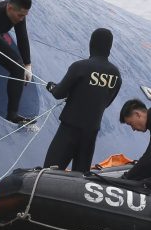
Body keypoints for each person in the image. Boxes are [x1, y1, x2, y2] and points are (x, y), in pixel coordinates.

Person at [43, 28, 122, 172]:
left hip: (69, 129)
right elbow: (106, 102)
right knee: (80, 176)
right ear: (109, 47)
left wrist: (51, 87)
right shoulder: (116, 74)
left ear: (91, 44)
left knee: (49, 171)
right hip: (90, 134)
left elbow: (59, 93)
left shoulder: (80, 66)